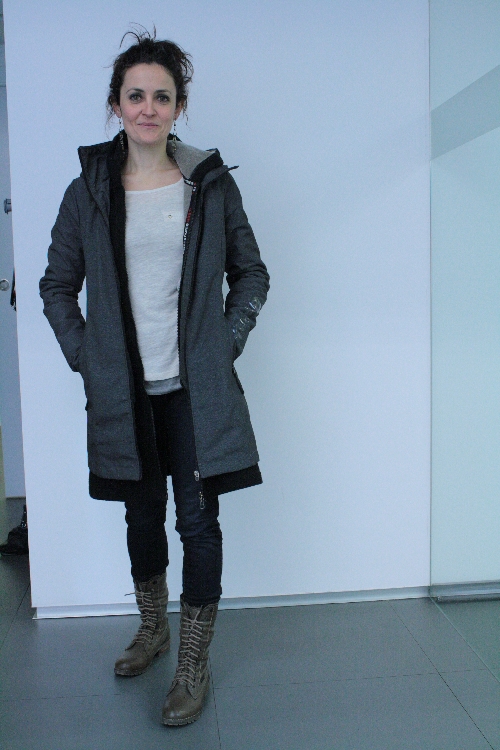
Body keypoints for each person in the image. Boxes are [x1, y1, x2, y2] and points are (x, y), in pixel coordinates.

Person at [39, 28, 269, 727]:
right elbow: (56, 286)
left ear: (178, 106)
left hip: (194, 392)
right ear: (116, 104)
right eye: (135, 95)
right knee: (141, 517)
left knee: (197, 522)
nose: (148, 108)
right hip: (125, 394)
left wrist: (224, 343)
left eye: (161, 97)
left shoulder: (210, 186)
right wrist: (89, 358)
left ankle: (192, 659)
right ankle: (153, 627)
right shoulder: (89, 192)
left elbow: (251, 273)